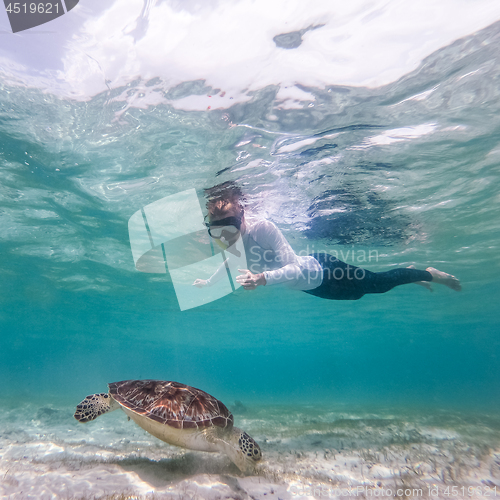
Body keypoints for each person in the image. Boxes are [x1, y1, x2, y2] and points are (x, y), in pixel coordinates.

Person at [193, 184, 461, 299]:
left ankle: (428, 274)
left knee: (376, 285)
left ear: (242, 215)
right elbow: (230, 262)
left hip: (323, 271)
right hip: (313, 288)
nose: (225, 237)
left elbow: (295, 269)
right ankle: (412, 276)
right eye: (216, 231)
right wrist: (207, 282)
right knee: (362, 293)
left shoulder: (262, 228)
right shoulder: (235, 242)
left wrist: (262, 278)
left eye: (229, 226)